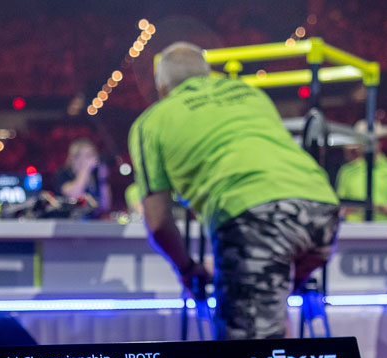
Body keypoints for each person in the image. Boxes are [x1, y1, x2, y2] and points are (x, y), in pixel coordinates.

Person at [129, 42, 340, 339]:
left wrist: (188, 269)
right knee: (266, 315)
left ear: (161, 87)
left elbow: (159, 222)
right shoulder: (250, 94)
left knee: (246, 357)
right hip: (322, 210)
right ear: (208, 74)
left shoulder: (150, 122)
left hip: (255, 220)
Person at [335, 120, 387, 222]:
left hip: (385, 230)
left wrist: (373, 207)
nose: (366, 145)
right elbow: (340, 206)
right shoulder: (347, 171)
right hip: (352, 231)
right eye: (363, 141)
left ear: (379, 142)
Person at [55, 138, 111, 217]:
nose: (94, 158)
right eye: (89, 155)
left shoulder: (94, 175)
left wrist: (103, 179)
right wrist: (85, 170)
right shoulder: (64, 173)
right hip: (68, 221)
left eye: (94, 155)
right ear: (75, 158)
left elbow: (105, 205)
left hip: (92, 222)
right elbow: (74, 195)